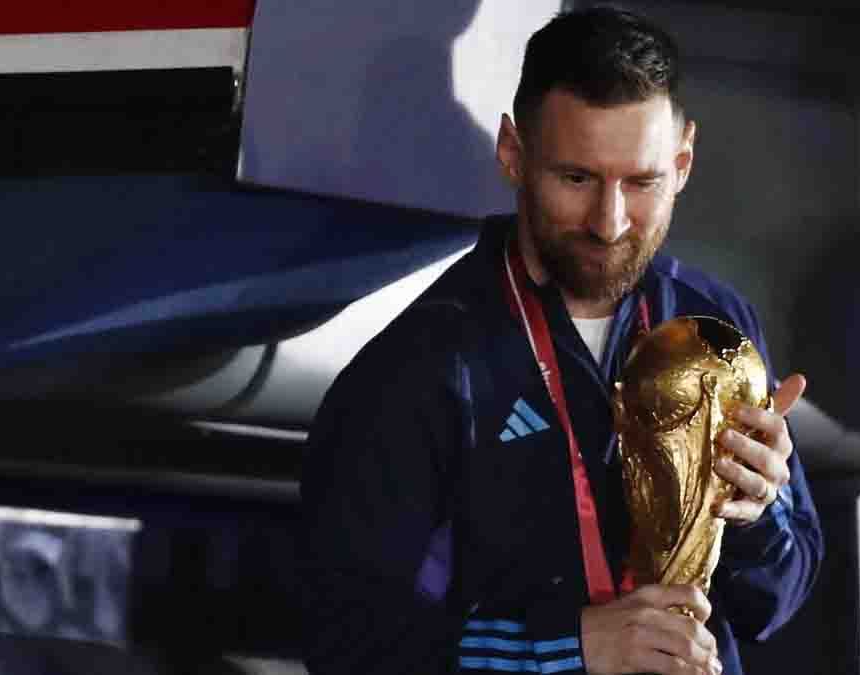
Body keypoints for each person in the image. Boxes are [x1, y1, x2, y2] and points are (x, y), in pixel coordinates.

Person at [298, 5, 824, 675]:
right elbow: (347, 646)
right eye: (576, 179)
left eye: (641, 182)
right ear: (514, 154)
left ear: (684, 160)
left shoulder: (715, 321)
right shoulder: (419, 367)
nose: (609, 222)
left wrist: (761, 513)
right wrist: (567, 647)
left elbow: (775, 601)